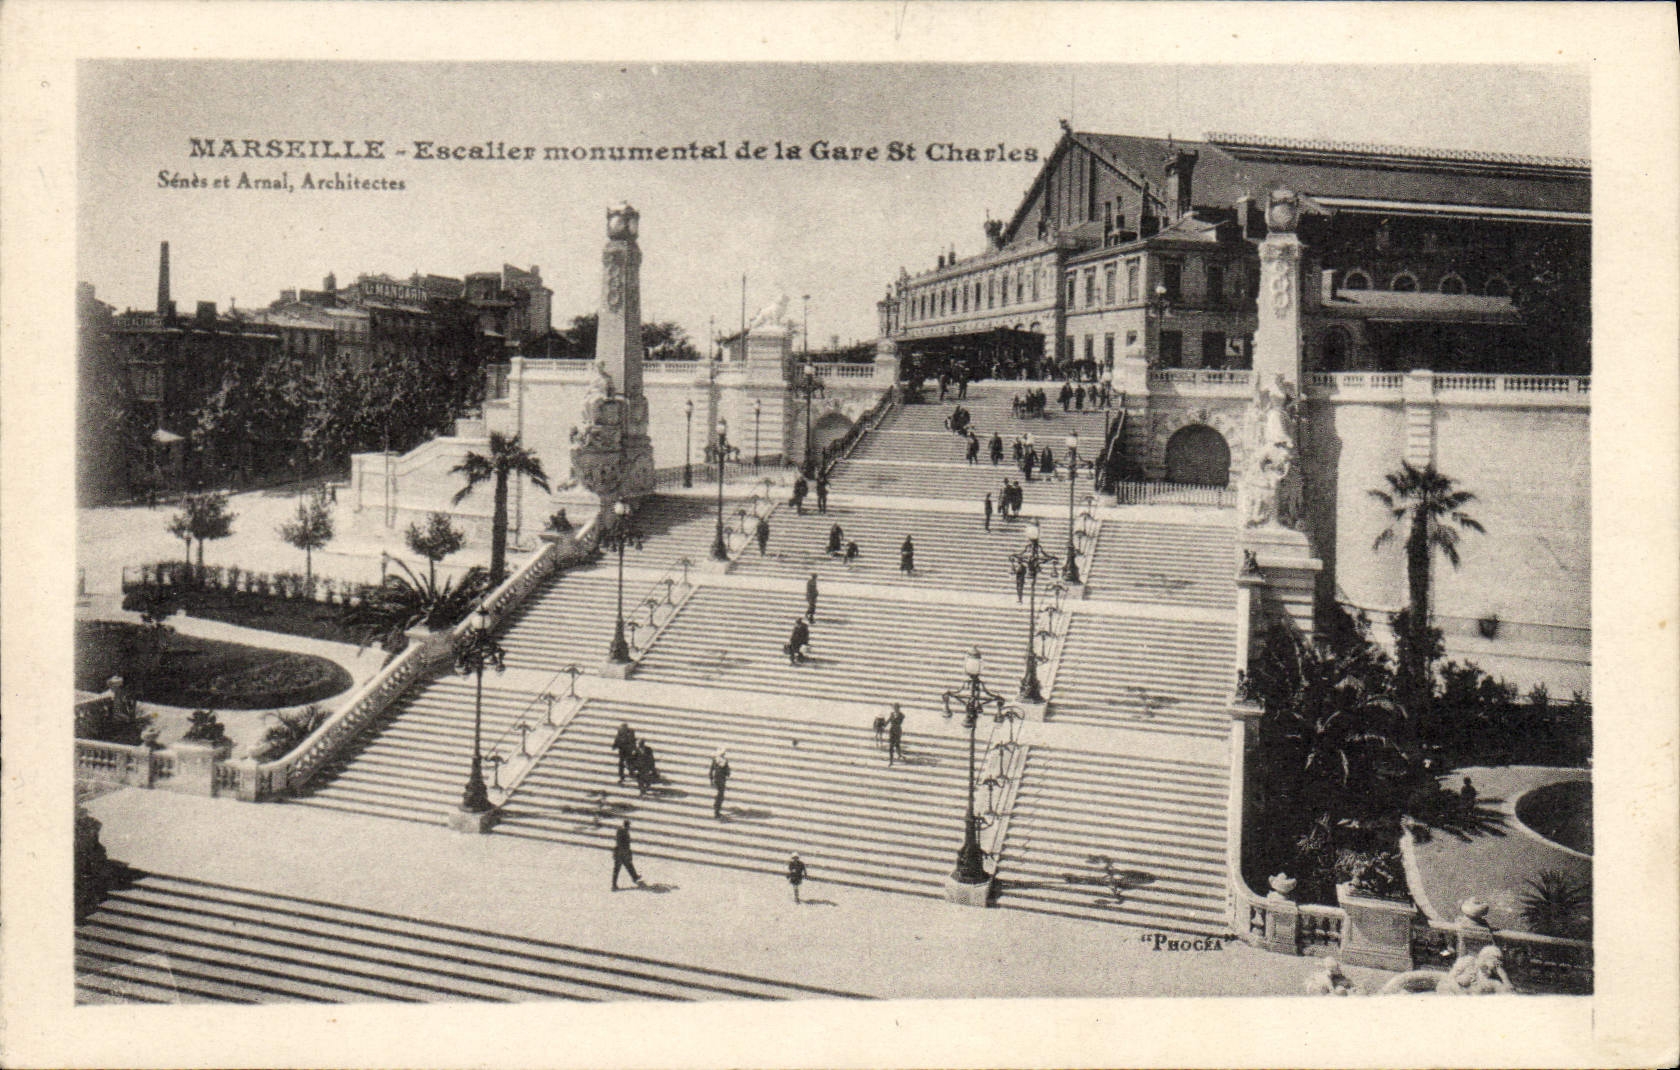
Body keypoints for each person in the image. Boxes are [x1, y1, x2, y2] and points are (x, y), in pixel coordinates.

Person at [611, 819, 642, 891]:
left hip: (619, 852)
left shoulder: (619, 830)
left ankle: (634, 876)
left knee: (628, 865)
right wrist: (627, 852)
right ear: (627, 825)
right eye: (629, 826)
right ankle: (614, 885)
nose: (629, 827)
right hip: (622, 853)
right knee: (618, 869)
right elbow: (624, 843)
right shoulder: (624, 832)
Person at [708, 748, 732, 818]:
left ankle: (716, 809)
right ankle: (717, 810)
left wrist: (711, 780)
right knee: (720, 795)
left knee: (719, 794)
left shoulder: (715, 760)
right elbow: (728, 771)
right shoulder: (725, 761)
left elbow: (711, 771)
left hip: (716, 779)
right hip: (721, 780)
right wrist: (728, 774)